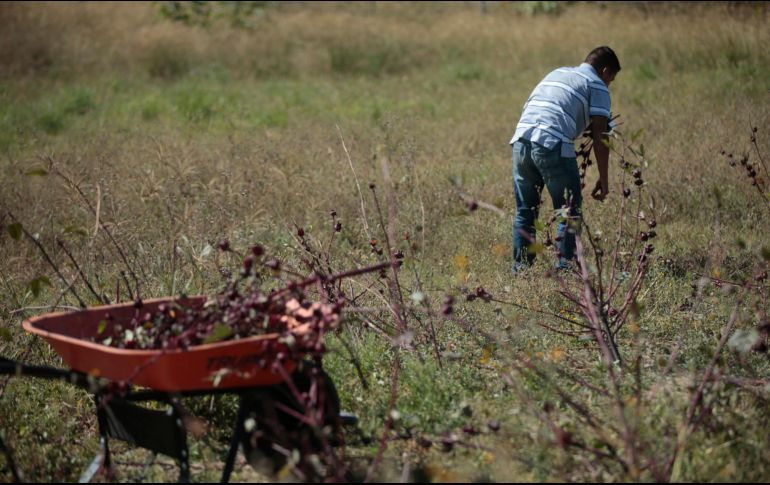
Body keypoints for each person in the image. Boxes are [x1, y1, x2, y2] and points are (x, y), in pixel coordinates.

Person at [509, 46, 620, 274]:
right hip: (552, 144)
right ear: (605, 70)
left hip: (521, 141)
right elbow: (601, 136)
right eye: (611, 79)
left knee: (525, 211)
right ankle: (566, 271)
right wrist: (604, 179)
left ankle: (521, 271)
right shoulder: (597, 85)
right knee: (569, 212)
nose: (609, 84)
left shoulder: (557, 73)